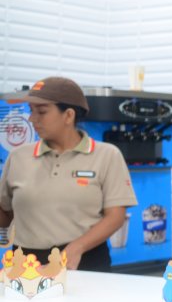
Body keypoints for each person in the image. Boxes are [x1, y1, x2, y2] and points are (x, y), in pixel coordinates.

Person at [0, 77, 137, 271]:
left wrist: (76, 247)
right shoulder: (18, 157)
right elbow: (5, 215)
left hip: (83, 263)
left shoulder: (107, 155)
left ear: (68, 115)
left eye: (41, 112)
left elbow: (115, 216)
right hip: (26, 267)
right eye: (32, 111)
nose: (32, 118)